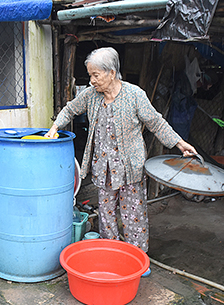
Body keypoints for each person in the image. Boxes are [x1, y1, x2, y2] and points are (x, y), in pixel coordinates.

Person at [45, 47, 197, 253]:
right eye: (90, 75)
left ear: (112, 73)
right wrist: (54, 128)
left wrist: (180, 143)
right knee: (106, 216)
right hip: (103, 168)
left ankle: (137, 258)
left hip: (130, 169)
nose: (91, 80)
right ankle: (113, 256)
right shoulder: (91, 96)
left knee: (134, 216)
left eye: (95, 75)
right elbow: (70, 109)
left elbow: (156, 123)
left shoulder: (135, 95)